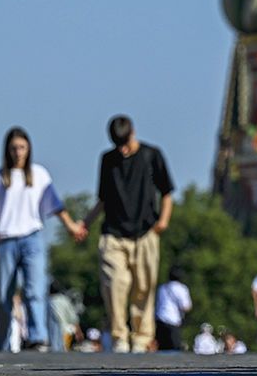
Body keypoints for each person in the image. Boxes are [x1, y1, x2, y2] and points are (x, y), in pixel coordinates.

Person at [0, 126, 84, 351]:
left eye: (22, 147)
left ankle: (38, 337)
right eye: (14, 148)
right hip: (5, 240)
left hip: (32, 238)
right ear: (8, 150)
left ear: (29, 149)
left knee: (35, 289)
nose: (18, 152)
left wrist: (72, 226)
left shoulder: (39, 174)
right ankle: (1, 343)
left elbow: (55, 205)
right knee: (4, 297)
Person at [79, 114, 175, 353]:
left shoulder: (151, 155)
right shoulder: (107, 160)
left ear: (133, 133)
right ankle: (120, 336)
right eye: (117, 145)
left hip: (145, 233)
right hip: (113, 235)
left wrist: (163, 221)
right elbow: (102, 198)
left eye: (125, 143)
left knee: (144, 287)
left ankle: (142, 339)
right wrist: (86, 224)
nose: (122, 150)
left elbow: (167, 192)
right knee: (115, 285)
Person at [155, 266, 191, 352]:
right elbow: (186, 306)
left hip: (160, 320)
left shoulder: (162, 287)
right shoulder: (181, 288)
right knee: (174, 349)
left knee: (162, 349)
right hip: (173, 321)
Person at [48, 280, 81, 352]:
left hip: (52, 329)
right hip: (66, 329)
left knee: (54, 348)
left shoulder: (48, 300)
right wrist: (78, 331)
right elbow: (73, 317)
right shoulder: (65, 300)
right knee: (63, 348)